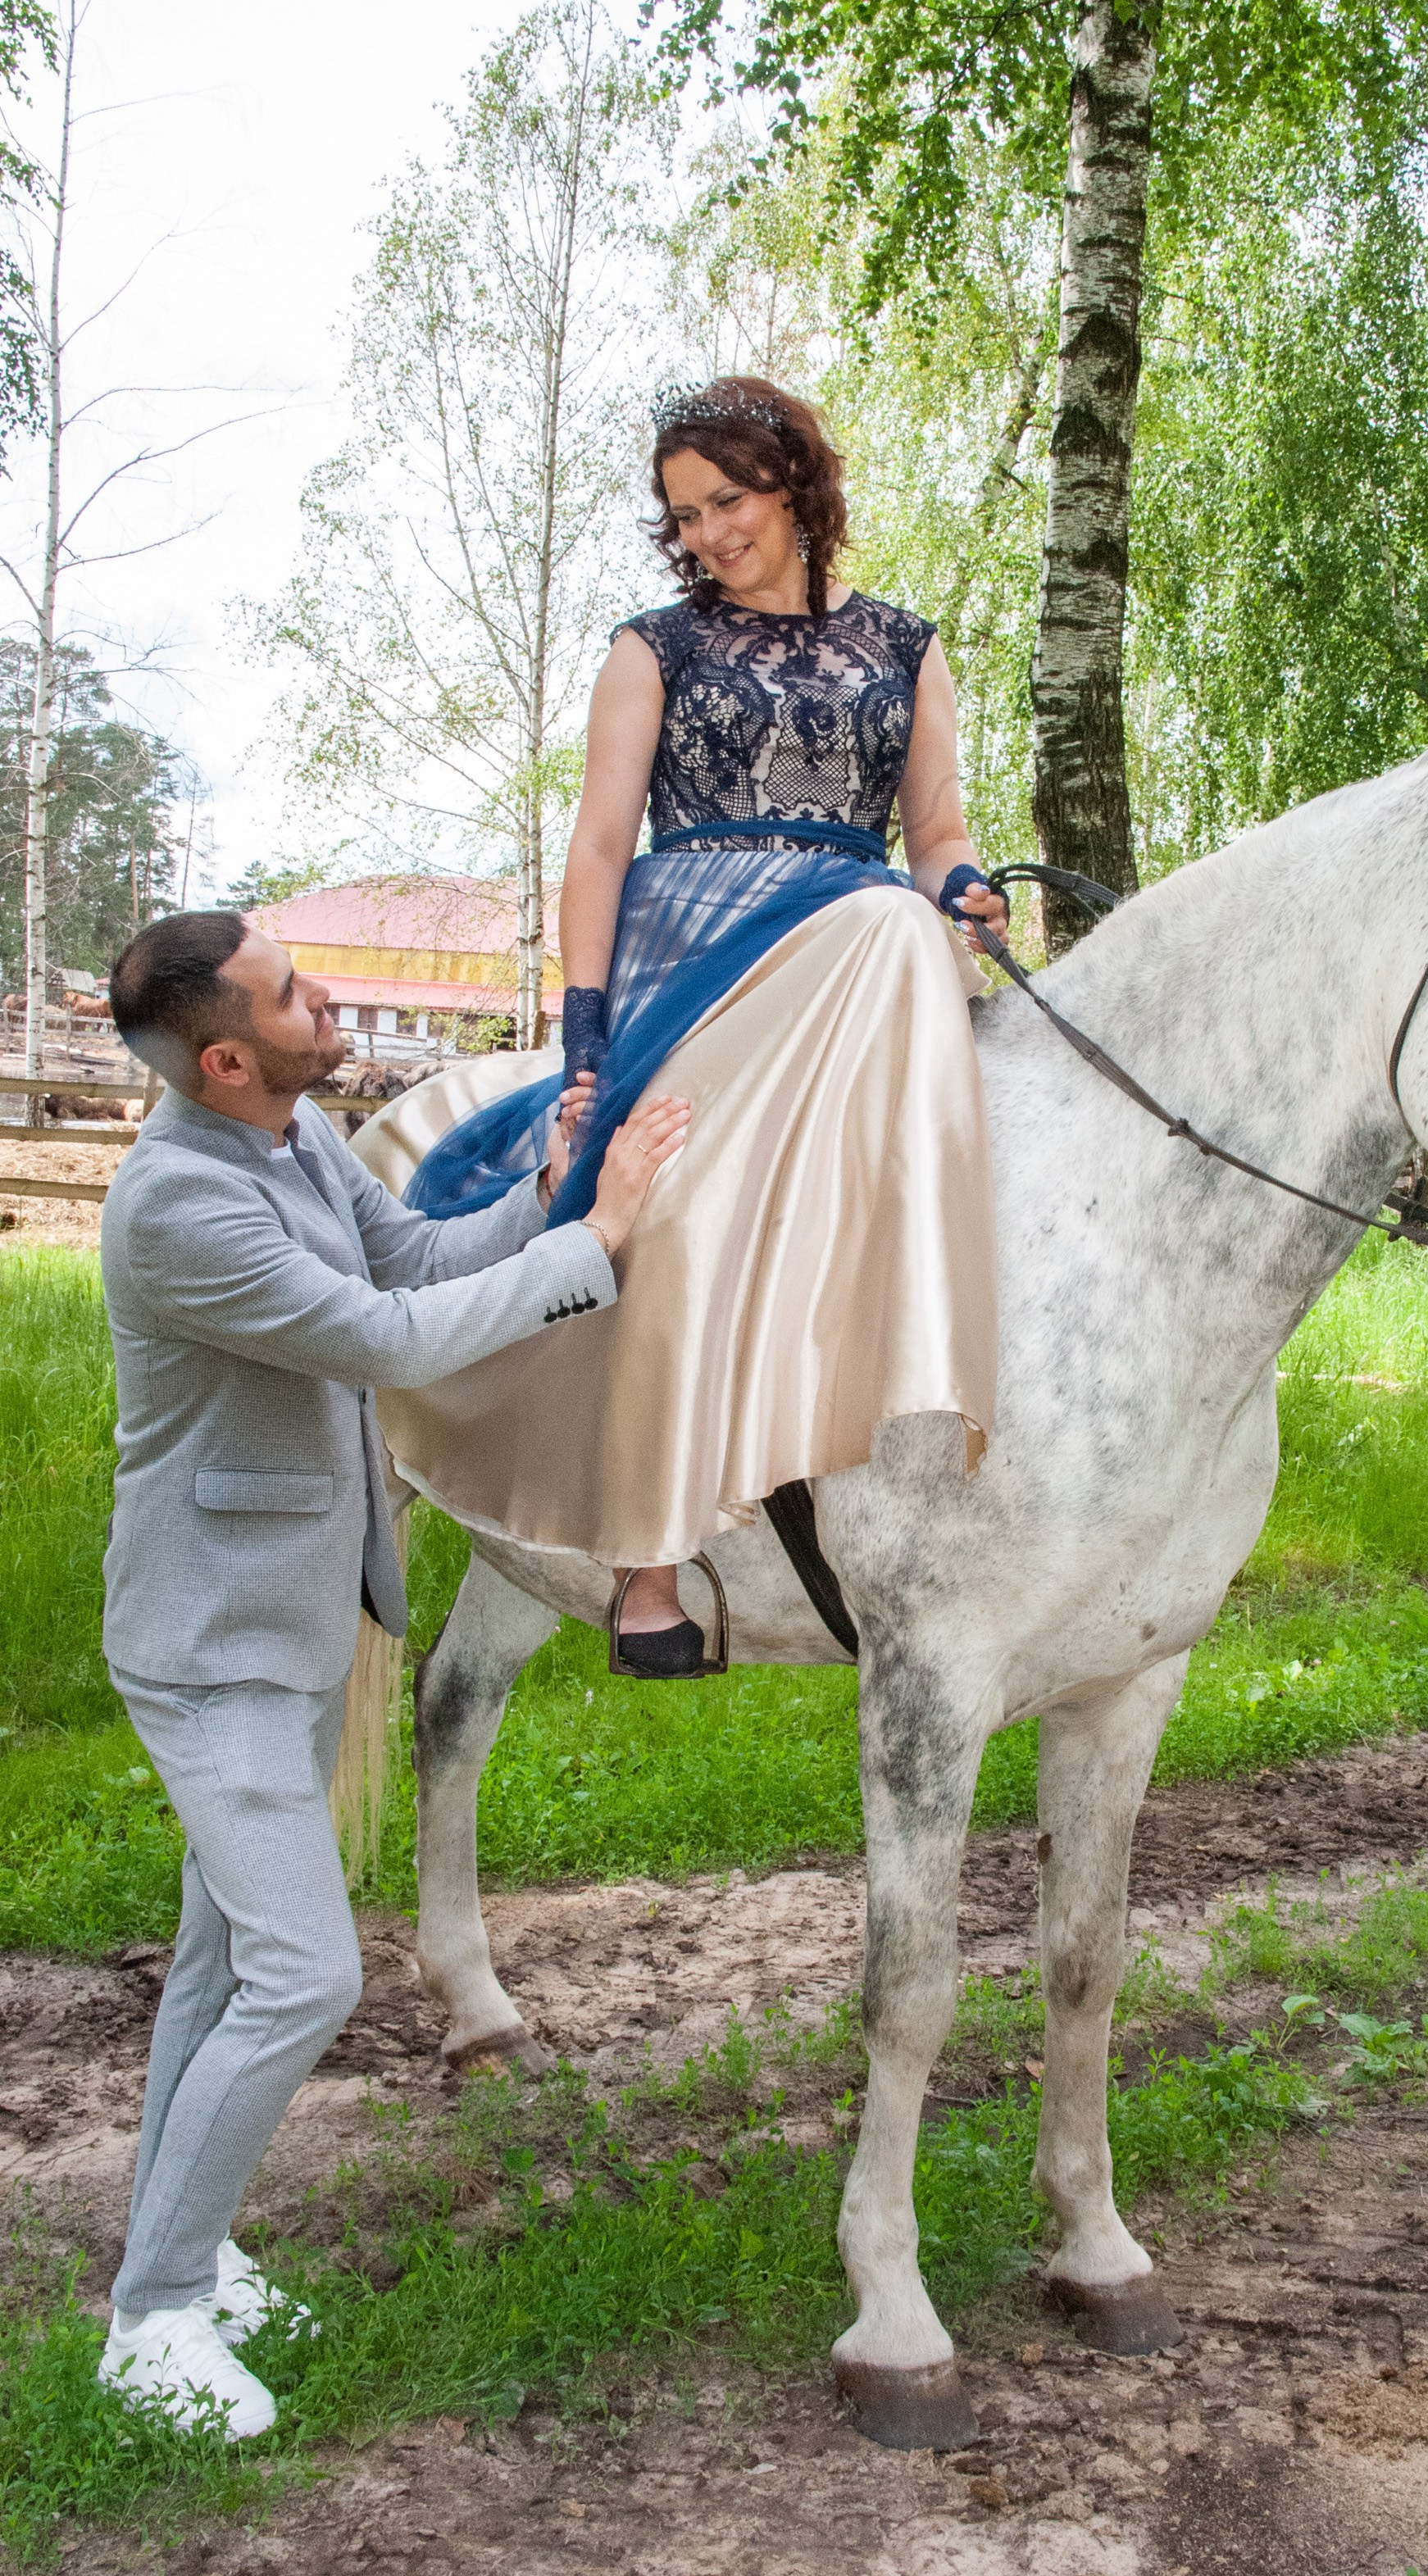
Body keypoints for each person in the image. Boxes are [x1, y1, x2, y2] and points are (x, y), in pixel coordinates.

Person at [93, 907, 687, 2439]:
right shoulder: (178, 1207)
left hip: (290, 1622)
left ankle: (190, 2258)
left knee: (228, 1964)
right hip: (213, 1647)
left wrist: (552, 1192)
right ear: (226, 1058)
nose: (325, 996)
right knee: (305, 1973)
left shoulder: (292, 1144)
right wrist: (598, 1244)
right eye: (293, 993)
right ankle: (150, 2320)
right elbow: (390, 1336)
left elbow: (417, 1251)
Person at [395, 376, 1004, 1676]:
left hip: (852, 943)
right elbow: (600, 847)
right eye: (684, 516)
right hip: (696, 944)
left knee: (906, 918)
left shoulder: (905, 646)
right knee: (661, 1186)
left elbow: (937, 836)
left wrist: (962, 886)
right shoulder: (651, 649)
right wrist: (586, 1041)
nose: (708, 534)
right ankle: (647, 1559)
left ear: (795, 484)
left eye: (726, 500)